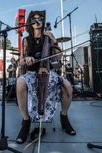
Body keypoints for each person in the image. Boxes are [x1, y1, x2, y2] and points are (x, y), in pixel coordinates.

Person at [16, 10, 76, 144]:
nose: (37, 21)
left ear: (43, 22)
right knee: (20, 82)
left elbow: (59, 57)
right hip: (32, 73)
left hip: (49, 72)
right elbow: (20, 61)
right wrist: (26, 59)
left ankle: (64, 117)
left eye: (40, 19)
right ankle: (26, 121)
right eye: (34, 19)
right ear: (30, 23)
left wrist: (54, 40)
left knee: (67, 86)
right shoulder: (26, 40)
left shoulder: (49, 37)